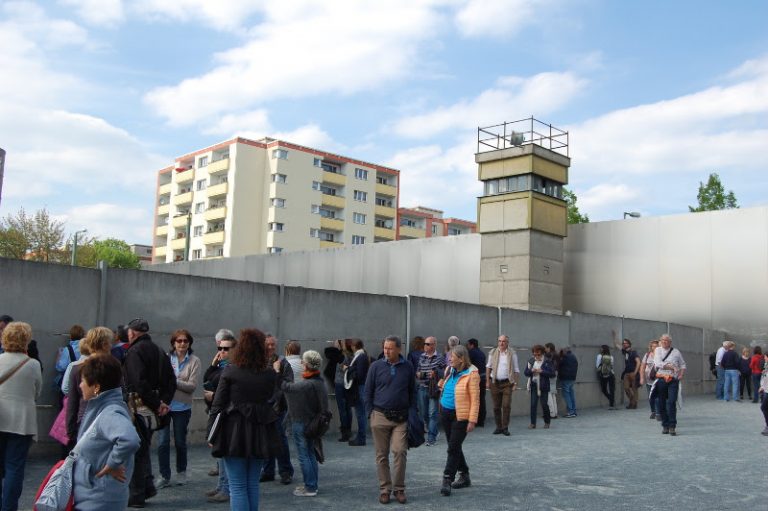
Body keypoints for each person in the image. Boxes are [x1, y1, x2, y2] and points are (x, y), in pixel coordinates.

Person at [207, 328, 282, 511]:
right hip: (259, 429)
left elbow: (217, 405)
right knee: (252, 484)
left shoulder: (231, 371)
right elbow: (273, 398)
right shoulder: (269, 374)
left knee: (237, 486)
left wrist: (211, 432)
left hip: (234, 430)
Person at [73, 354, 141, 511]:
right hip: (95, 495)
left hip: (98, 498)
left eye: (83, 381)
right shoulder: (105, 408)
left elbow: (129, 439)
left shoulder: (109, 412)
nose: (80, 385)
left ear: (96, 386)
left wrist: (112, 463)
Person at [123, 318, 176, 508]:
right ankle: (147, 487)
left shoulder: (134, 351)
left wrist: (156, 403)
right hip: (154, 408)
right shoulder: (160, 351)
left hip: (139, 407)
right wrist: (163, 403)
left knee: (137, 451)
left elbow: (138, 383)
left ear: (132, 333)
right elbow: (172, 381)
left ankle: (137, 495)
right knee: (143, 448)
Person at [364, 335, 415, 505]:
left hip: (401, 418)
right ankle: (385, 489)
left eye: (390, 348)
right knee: (381, 455)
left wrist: (413, 413)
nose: (386, 351)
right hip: (379, 415)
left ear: (399, 349)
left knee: (400, 451)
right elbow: (368, 390)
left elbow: (412, 391)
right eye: (385, 347)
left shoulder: (407, 366)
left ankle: (399, 488)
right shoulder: (376, 366)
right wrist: (370, 413)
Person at [0, 321, 42, 511]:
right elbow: (37, 392)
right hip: (22, 422)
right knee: (14, 468)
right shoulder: (32, 364)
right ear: (26, 339)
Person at [275, 350, 328, 497]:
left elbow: (286, 387)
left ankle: (310, 487)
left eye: (303, 361)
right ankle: (312, 485)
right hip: (313, 424)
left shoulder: (307, 385)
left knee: (304, 455)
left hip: (303, 423)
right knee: (310, 454)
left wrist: (278, 372)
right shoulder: (319, 382)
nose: (301, 363)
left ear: (308, 365)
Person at [156, 329, 201, 488]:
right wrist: (176, 382)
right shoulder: (166, 359)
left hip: (182, 407)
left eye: (185, 341)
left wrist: (173, 382)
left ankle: (181, 471)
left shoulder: (194, 361)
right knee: (162, 442)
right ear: (173, 343)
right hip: (165, 405)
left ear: (189, 344)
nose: (182, 344)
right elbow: (160, 381)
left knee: (180, 442)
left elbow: (192, 386)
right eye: (179, 341)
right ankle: (164, 475)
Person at [437, 345, 479, 496]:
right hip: (446, 413)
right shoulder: (451, 370)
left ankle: (447, 479)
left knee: (453, 448)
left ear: (461, 359)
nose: (449, 359)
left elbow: (475, 399)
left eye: (452, 356)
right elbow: (445, 386)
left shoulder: (472, 373)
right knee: (454, 446)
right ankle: (465, 475)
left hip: (460, 416)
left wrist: (472, 420)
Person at [66, 327, 114, 452]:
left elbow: (72, 402)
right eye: (110, 342)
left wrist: (70, 429)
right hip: (107, 421)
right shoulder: (114, 368)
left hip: (83, 420)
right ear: (104, 345)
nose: (111, 345)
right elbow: (121, 397)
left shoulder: (77, 369)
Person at [203, 330, 236, 503]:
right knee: (221, 455)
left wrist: (213, 396)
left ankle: (226, 489)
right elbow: (207, 380)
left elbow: (228, 394)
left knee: (225, 455)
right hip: (217, 413)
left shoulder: (233, 369)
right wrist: (213, 364)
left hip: (226, 415)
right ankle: (221, 486)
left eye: (225, 349)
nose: (221, 351)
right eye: (219, 348)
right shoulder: (222, 366)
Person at [260, 333, 294, 485]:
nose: (270, 347)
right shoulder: (258, 362)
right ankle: (268, 471)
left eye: (273, 344)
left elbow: (287, 383)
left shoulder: (283, 362)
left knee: (280, 439)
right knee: (265, 440)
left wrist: (275, 400)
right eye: (268, 344)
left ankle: (285, 471)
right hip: (262, 406)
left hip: (278, 406)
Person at [652, 334, 686, 436]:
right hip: (661, 379)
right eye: (662, 340)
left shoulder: (676, 351)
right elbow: (657, 363)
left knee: (671, 402)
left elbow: (683, 364)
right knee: (661, 402)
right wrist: (671, 367)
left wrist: (681, 374)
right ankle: (665, 425)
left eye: (666, 341)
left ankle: (672, 426)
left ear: (670, 342)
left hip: (673, 380)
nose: (664, 342)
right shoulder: (658, 350)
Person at [485, 335, 519, 436]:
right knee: (496, 406)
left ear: (507, 342)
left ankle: (505, 427)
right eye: (499, 341)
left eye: (503, 341)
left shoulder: (512, 353)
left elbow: (516, 370)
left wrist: (515, 383)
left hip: (507, 383)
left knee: (506, 405)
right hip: (494, 383)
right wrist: (487, 381)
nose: (501, 343)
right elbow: (488, 367)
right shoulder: (493, 352)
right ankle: (498, 427)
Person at [416, 336, 446, 446]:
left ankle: (431, 438)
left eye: (428, 344)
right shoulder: (421, 357)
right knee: (424, 414)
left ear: (433, 345)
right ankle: (434, 430)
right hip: (422, 387)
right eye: (425, 343)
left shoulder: (439, 357)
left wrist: (436, 373)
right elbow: (418, 371)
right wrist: (419, 374)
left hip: (433, 389)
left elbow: (445, 372)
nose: (425, 345)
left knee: (432, 413)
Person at [324, 339, 353, 442]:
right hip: (348, 384)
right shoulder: (351, 355)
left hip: (340, 384)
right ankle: (348, 431)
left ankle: (345, 433)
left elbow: (327, 352)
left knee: (342, 409)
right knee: (348, 409)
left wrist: (337, 347)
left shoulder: (341, 356)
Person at [345, 338, 370, 446]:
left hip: (360, 387)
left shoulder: (360, 356)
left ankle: (361, 438)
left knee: (360, 414)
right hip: (361, 387)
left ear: (354, 346)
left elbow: (359, 374)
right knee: (360, 413)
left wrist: (348, 369)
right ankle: (361, 437)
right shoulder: (362, 355)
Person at [524, 345, 556, 429]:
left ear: (542, 353)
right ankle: (533, 423)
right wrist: (531, 371)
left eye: (538, 354)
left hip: (544, 385)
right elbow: (526, 373)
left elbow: (552, 374)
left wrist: (542, 371)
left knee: (544, 404)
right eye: (535, 354)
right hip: (534, 385)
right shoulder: (531, 361)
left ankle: (547, 422)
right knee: (533, 404)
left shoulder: (547, 361)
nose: (536, 356)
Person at [55, 324, 85, 390]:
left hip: (70, 383)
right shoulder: (87, 348)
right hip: (84, 382)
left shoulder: (68, 349)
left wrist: (59, 355)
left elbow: (61, 367)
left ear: (71, 336)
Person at [466, 339, 487, 426]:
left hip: (475, 379)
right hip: (483, 378)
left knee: (474, 399)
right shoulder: (482, 353)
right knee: (482, 399)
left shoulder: (471, 353)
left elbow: (467, 365)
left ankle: (475, 420)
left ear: (472, 345)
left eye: (468, 345)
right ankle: (481, 420)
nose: (467, 346)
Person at [639, 340, 661, 420]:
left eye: (656, 346)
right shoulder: (647, 355)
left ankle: (658, 413)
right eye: (653, 346)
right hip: (649, 380)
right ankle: (653, 411)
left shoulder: (661, 355)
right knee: (651, 397)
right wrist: (641, 378)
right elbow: (642, 367)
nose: (655, 348)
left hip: (658, 379)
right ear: (651, 347)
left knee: (658, 397)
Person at [618, 338, 641, 409]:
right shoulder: (625, 352)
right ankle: (632, 400)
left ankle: (634, 404)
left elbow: (638, 362)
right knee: (626, 388)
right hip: (626, 373)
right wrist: (614, 336)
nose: (624, 344)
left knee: (634, 389)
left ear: (629, 344)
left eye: (626, 343)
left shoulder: (633, 352)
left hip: (633, 373)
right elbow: (617, 345)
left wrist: (635, 372)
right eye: (623, 343)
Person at [557, 346, 578, 418]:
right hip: (572, 378)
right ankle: (574, 411)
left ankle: (570, 411)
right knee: (571, 394)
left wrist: (560, 355)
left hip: (565, 378)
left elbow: (559, 364)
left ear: (564, 351)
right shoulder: (573, 356)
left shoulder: (565, 357)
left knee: (566, 394)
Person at [596, 345, 616, 410]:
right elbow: (612, 365)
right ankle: (611, 404)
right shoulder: (611, 357)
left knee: (604, 389)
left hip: (603, 375)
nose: (600, 349)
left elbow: (597, 365)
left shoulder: (599, 356)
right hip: (611, 374)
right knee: (612, 390)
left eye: (601, 348)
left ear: (603, 349)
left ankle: (610, 399)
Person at [544, 343, 559, 418]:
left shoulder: (549, 355)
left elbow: (547, 365)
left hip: (550, 374)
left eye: (546, 348)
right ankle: (555, 412)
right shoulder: (556, 354)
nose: (545, 349)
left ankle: (551, 413)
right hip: (555, 373)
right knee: (553, 393)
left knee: (549, 393)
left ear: (549, 348)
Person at [758, 351, 768, 435]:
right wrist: (761, 386)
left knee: (764, 407)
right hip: (765, 390)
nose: (764, 358)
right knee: (764, 408)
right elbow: (764, 377)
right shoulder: (766, 365)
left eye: (765, 357)